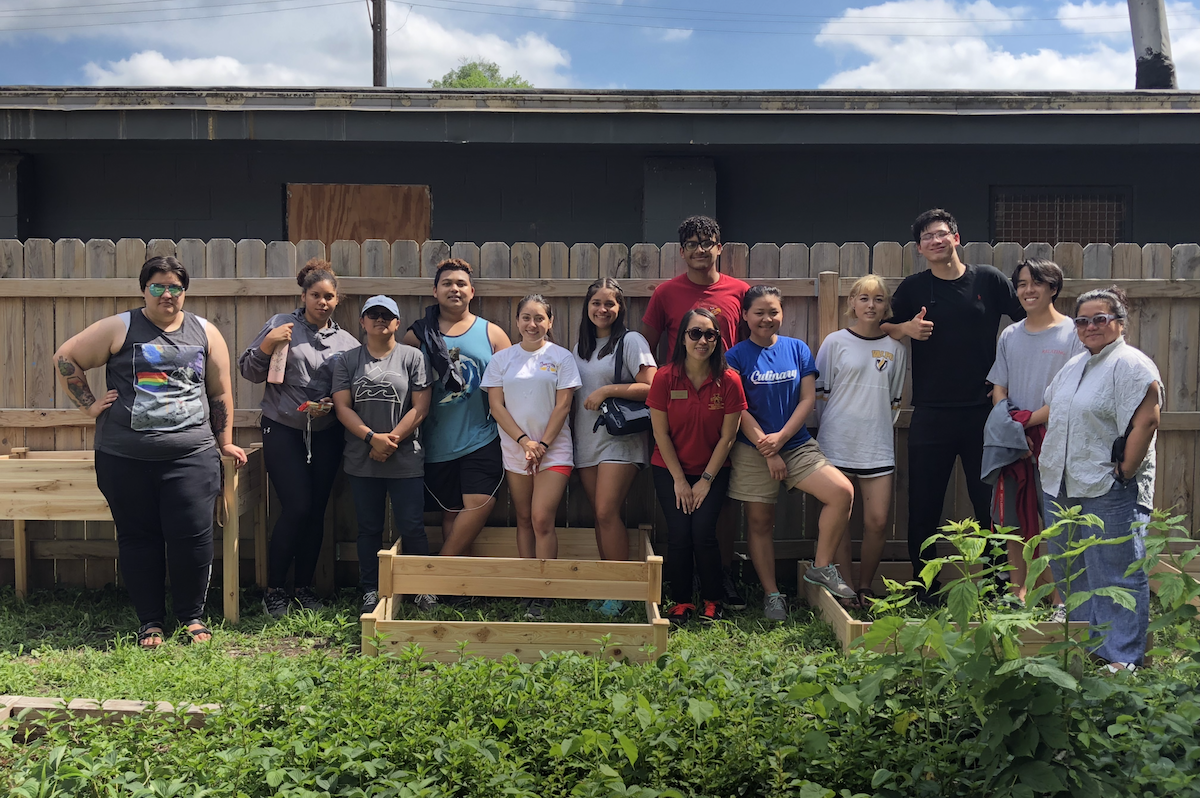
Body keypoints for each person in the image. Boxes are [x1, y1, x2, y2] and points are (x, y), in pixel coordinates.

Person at [52, 255, 247, 648]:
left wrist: (224, 441)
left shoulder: (206, 332)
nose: (167, 294)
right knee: (138, 538)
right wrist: (90, 406)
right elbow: (65, 357)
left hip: (191, 456)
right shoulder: (120, 327)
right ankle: (150, 623)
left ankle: (192, 617)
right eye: (158, 286)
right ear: (145, 289)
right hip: (125, 459)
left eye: (175, 287)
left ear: (184, 292)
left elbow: (220, 391)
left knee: (192, 536)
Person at [882, 208, 1024, 600]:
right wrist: (906, 328)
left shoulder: (989, 281)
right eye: (927, 237)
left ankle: (996, 586)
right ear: (919, 248)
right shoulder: (913, 288)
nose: (935, 241)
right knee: (924, 503)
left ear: (956, 238)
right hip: (930, 412)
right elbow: (883, 326)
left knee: (989, 504)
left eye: (941, 233)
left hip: (983, 411)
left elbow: (1024, 321)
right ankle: (924, 587)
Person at [1040, 286, 1162, 672]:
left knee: (1117, 571)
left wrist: (1125, 471)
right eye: (1083, 320)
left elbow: (1148, 418)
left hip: (1108, 486)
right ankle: (1089, 646)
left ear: (1119, 323)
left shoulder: (1131, 364)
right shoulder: (1075, 364)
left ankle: (1123, 658)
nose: (1090, 326)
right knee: (1071, 568)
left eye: (1100, 318)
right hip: (1061, 483)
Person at [239, 259, 360, 618]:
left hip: (326, 433)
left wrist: (331, 403)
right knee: (297, 507)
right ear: (303, 295)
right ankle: (274, 590)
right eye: (316, 295)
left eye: (329, 297)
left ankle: (304, 589)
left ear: (338, 300)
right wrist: (267, 346)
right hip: (283, 429)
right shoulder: (281, 325)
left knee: (317, 511)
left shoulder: (347, 343)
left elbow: (350, 390)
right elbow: (248, 370)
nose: (323, 302)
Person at [727, 286, 856, 621]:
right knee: (760, 522)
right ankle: (772, 595)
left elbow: (807, 400)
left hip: (796, 444)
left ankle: (822, 566)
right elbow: (738, 408)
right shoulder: (735, 356)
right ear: (745, 316)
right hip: (753, 448)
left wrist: (781, 439)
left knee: (841, 492)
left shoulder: (797, 349)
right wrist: (767, 449)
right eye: (759, 312)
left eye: (773, 312)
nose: (767, 319)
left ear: (782, 314)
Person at [642, 215, 750, 608]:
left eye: (708, 242)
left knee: (714, 524)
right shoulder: (667, 293)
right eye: (692, 242)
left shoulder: (740, 291)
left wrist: (703, 478)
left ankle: (719, 588)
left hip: (724, 413)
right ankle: (683, 596)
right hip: (678, 424)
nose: (700, 249)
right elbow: (647, 346)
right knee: (682, 530)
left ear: (720, 247)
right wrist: (669, 387)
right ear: (682, 250)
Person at [985, 259, 1082, 615]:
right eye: (1022, 284)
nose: (1028, 290)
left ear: (1053, 288)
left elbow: (1071, 393)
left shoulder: (1073, 333)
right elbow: (999, 388)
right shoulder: (1010, 334)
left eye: (1036, 283)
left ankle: (1060, 601)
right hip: (1014, 442)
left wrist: (1028, 424)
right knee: (1012, 521)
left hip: (1056, 441)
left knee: (1056, 523)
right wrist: (1013, 428)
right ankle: (1017, 594)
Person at [402, 259, 510, 564]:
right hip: (437, 441)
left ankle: (435, 571)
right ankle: (455, 586)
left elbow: (511, 386)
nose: (455, 289)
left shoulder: (493, 334)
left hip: (482, 436)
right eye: (447, 283)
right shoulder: (416, 337)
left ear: (472, 291)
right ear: (434, 291)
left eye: (461, 284)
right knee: (451, 511)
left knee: (479, 503)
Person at [482, 294, 582, 620]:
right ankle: (528, 588)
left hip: (554, 452)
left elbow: (563, 405)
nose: (532, 324)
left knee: (541, 518)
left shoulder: (561, 357)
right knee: (523, 518)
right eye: (526, 317)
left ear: (550, 322)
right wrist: (525, 442)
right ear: (517, 322)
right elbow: (496, 407)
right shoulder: (502, 360)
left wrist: (542, 445)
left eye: (539, 318)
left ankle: (545, 590)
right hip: (516, 451)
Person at [332, 295, 432, 615]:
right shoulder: (347, 361)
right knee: (369, 527)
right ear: (361, 322)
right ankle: (370, 588)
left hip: (405, 458)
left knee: (412, 525)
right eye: (372, 315)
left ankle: (421, 588)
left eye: (386, 316)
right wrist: (372, 439)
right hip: (362, 458)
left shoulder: (413, 357)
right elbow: (342, 407)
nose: (379, 320)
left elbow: (421, 406)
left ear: (397, 323)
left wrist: (392, 441)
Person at [648, 309, 747, 626]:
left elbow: (728, 437)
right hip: (669, 470)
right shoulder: (665, 377)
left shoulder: (729, 380)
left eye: (710, 335)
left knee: (704, 533)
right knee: (678, 535)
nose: (702, 340)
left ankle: (713, 600)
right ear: (682, 338)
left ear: (718, 340)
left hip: (712, 470)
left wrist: (705, 480)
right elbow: (660, 433)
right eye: (695, 333)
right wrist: (679, 480)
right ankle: (680, 602)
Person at [815, 275, 907, 609]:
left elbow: (895, 401)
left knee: (877, 521)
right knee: (839, 518)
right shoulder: (835, 342)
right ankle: (846, 589)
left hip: (877, 446)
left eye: (879, 299)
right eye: (864, 298)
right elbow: (820, 395)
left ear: (887, 306)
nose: (871, 305)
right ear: (852, 303)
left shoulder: (896, 349)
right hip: (836, 443)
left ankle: (866, 586)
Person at [572, 278, 658, 617]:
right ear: (587, 306)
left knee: (607, 512)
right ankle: (610, 586)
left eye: (609, 303)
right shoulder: (581, 346)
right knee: (601, 516)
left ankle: (621, 592)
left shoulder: (632, 340)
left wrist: (607, 391)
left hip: (620, 440)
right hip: (586, 440)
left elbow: (652, 386)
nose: (602, 309)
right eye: (596, 303)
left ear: (620, 308)